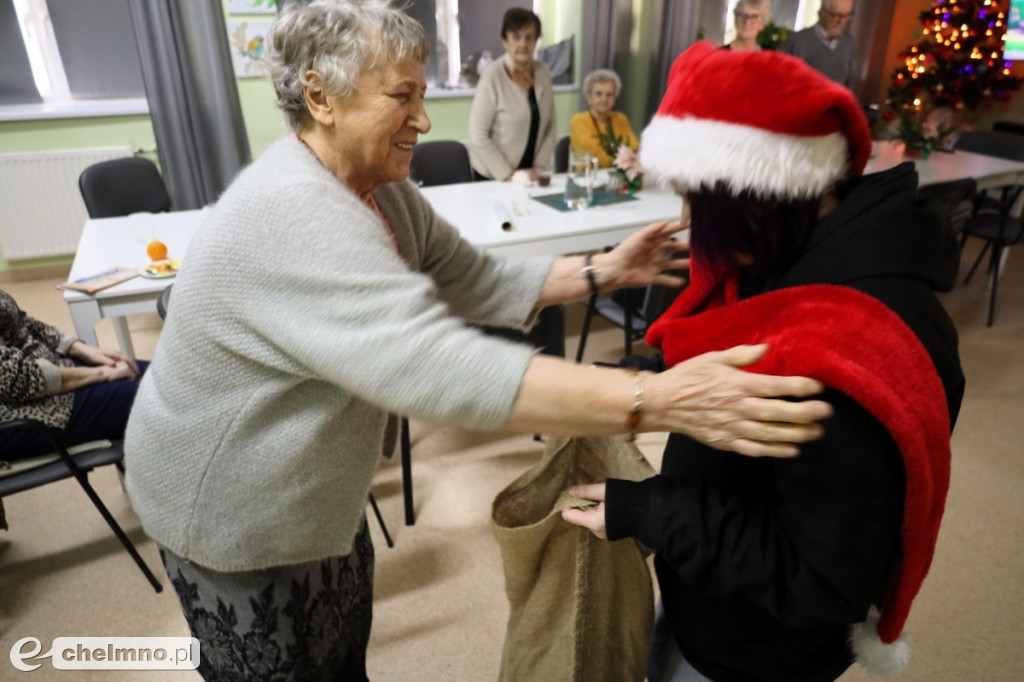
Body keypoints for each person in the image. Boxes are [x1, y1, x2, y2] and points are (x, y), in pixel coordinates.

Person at [123, 4, 833, 680]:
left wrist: (601, 270)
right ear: (321, 96)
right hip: (226, 504)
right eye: (402, 95)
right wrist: (653, 397)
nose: (425, 121)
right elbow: (437, 364)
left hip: (311, 500)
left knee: (340, 659)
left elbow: (468, 275)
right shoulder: (291, 212)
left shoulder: (381, 191)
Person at [563, 42, 964, 682]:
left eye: (704, 204)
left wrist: (650, 513)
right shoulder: (797, 258)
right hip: (712, 588)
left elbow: (820, 578)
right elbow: (736, 342)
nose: (691, 224)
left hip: (756, 646)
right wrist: (640, 380)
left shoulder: (848, 356)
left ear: (761, 195)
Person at [0, 289, 144, 529]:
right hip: (22, 414)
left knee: (156, 374)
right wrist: (100, 374)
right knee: (155, 395)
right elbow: (15, 380)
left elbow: (21, 322)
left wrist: (80, 349)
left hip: (46, 376)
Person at [467, 8, 555, 180]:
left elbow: (551, 124)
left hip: (530, 175)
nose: (523, 43)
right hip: (493, 176)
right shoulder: (493, 75)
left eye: (529, 37)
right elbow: (477, 135)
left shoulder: (543, 72)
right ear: (505, 41)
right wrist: (508, 175)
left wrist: (539, 167)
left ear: (536, 41)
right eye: (516, 37)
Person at [569, 69, 639, 168]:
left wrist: (628, 160)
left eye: (609, 95)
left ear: (615, 97)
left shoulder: (620, 119)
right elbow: (598, 157)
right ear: (589, 97)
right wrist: (625, 162)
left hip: (618, 177)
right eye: (598, 94)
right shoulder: (579, 121)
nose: (604, 99)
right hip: (586, 179)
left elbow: (633, 148)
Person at [778, 0, 855, 86]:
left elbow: (847, 86)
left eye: (846, 16)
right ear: (820, 13)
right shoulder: (796, 41)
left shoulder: (848, 44)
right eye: (835, 15)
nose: (841, 22)